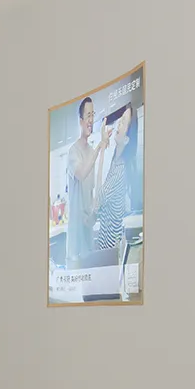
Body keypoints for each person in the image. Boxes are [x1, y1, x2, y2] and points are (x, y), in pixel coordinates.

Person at [66, 96, 111, 266]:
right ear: (81, 121)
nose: (91, 120)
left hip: (88, 238)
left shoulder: (91, 151)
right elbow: (81, 173)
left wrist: (93, 214)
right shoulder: (73, 152)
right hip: (76, 243)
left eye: (93, 115)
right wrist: (99, 147)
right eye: (88, 116)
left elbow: (92, 191)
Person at [92, 105, 136, 252]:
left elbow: (97, 202)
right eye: (120, 120)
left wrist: (102, 146)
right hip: (106, 246)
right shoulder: (115, 160)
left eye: (123, 122)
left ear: (127, 139)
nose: (119, 123)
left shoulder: (120, 170)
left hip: (111, 249)